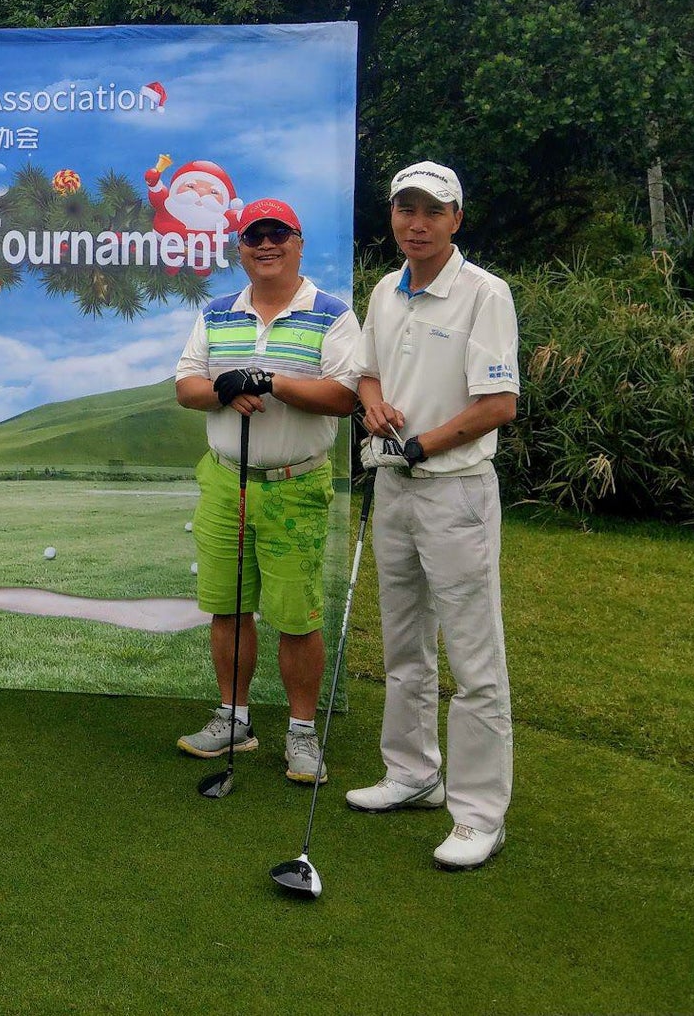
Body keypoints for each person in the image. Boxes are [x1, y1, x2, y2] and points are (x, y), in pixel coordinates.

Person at [345, 161, 519, 872]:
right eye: (404, 209)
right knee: (404, 643)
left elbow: (497, 405)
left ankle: (480, 814)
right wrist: (373, 403)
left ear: (456, 219)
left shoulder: (484, 293)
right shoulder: (387, 289)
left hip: (454, 492)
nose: (416, 223)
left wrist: (418, 444)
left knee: (474, 660)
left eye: (432, 211)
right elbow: (367, 367)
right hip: (395, 489)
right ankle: (412, 771)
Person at [172, 199, 361, 782]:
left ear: (298, 243)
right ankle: (235, 718)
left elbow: (345, 396)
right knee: (229, 607)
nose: (265, 244)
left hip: (294, 484)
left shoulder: (332, 314)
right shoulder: (217, 313)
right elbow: (186, 386)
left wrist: (273, 382)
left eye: (278, 233)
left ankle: (302, 732)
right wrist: (225, 387)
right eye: (254, 236)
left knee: (296, 616)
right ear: (240, 249)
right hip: (227, 479)